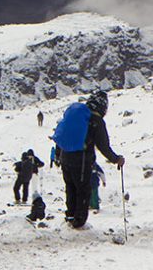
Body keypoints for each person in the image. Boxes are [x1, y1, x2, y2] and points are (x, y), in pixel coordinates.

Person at [51, 90, 124, 228]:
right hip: (82, 160)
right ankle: (79, 222)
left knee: (70, 187)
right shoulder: (95, 120)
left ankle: (70, 217)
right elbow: (103, 146)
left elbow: (61, 135)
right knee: (83, 190)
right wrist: (116, 159)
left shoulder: (78, 115)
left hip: (66, 157)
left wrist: (59, 155)